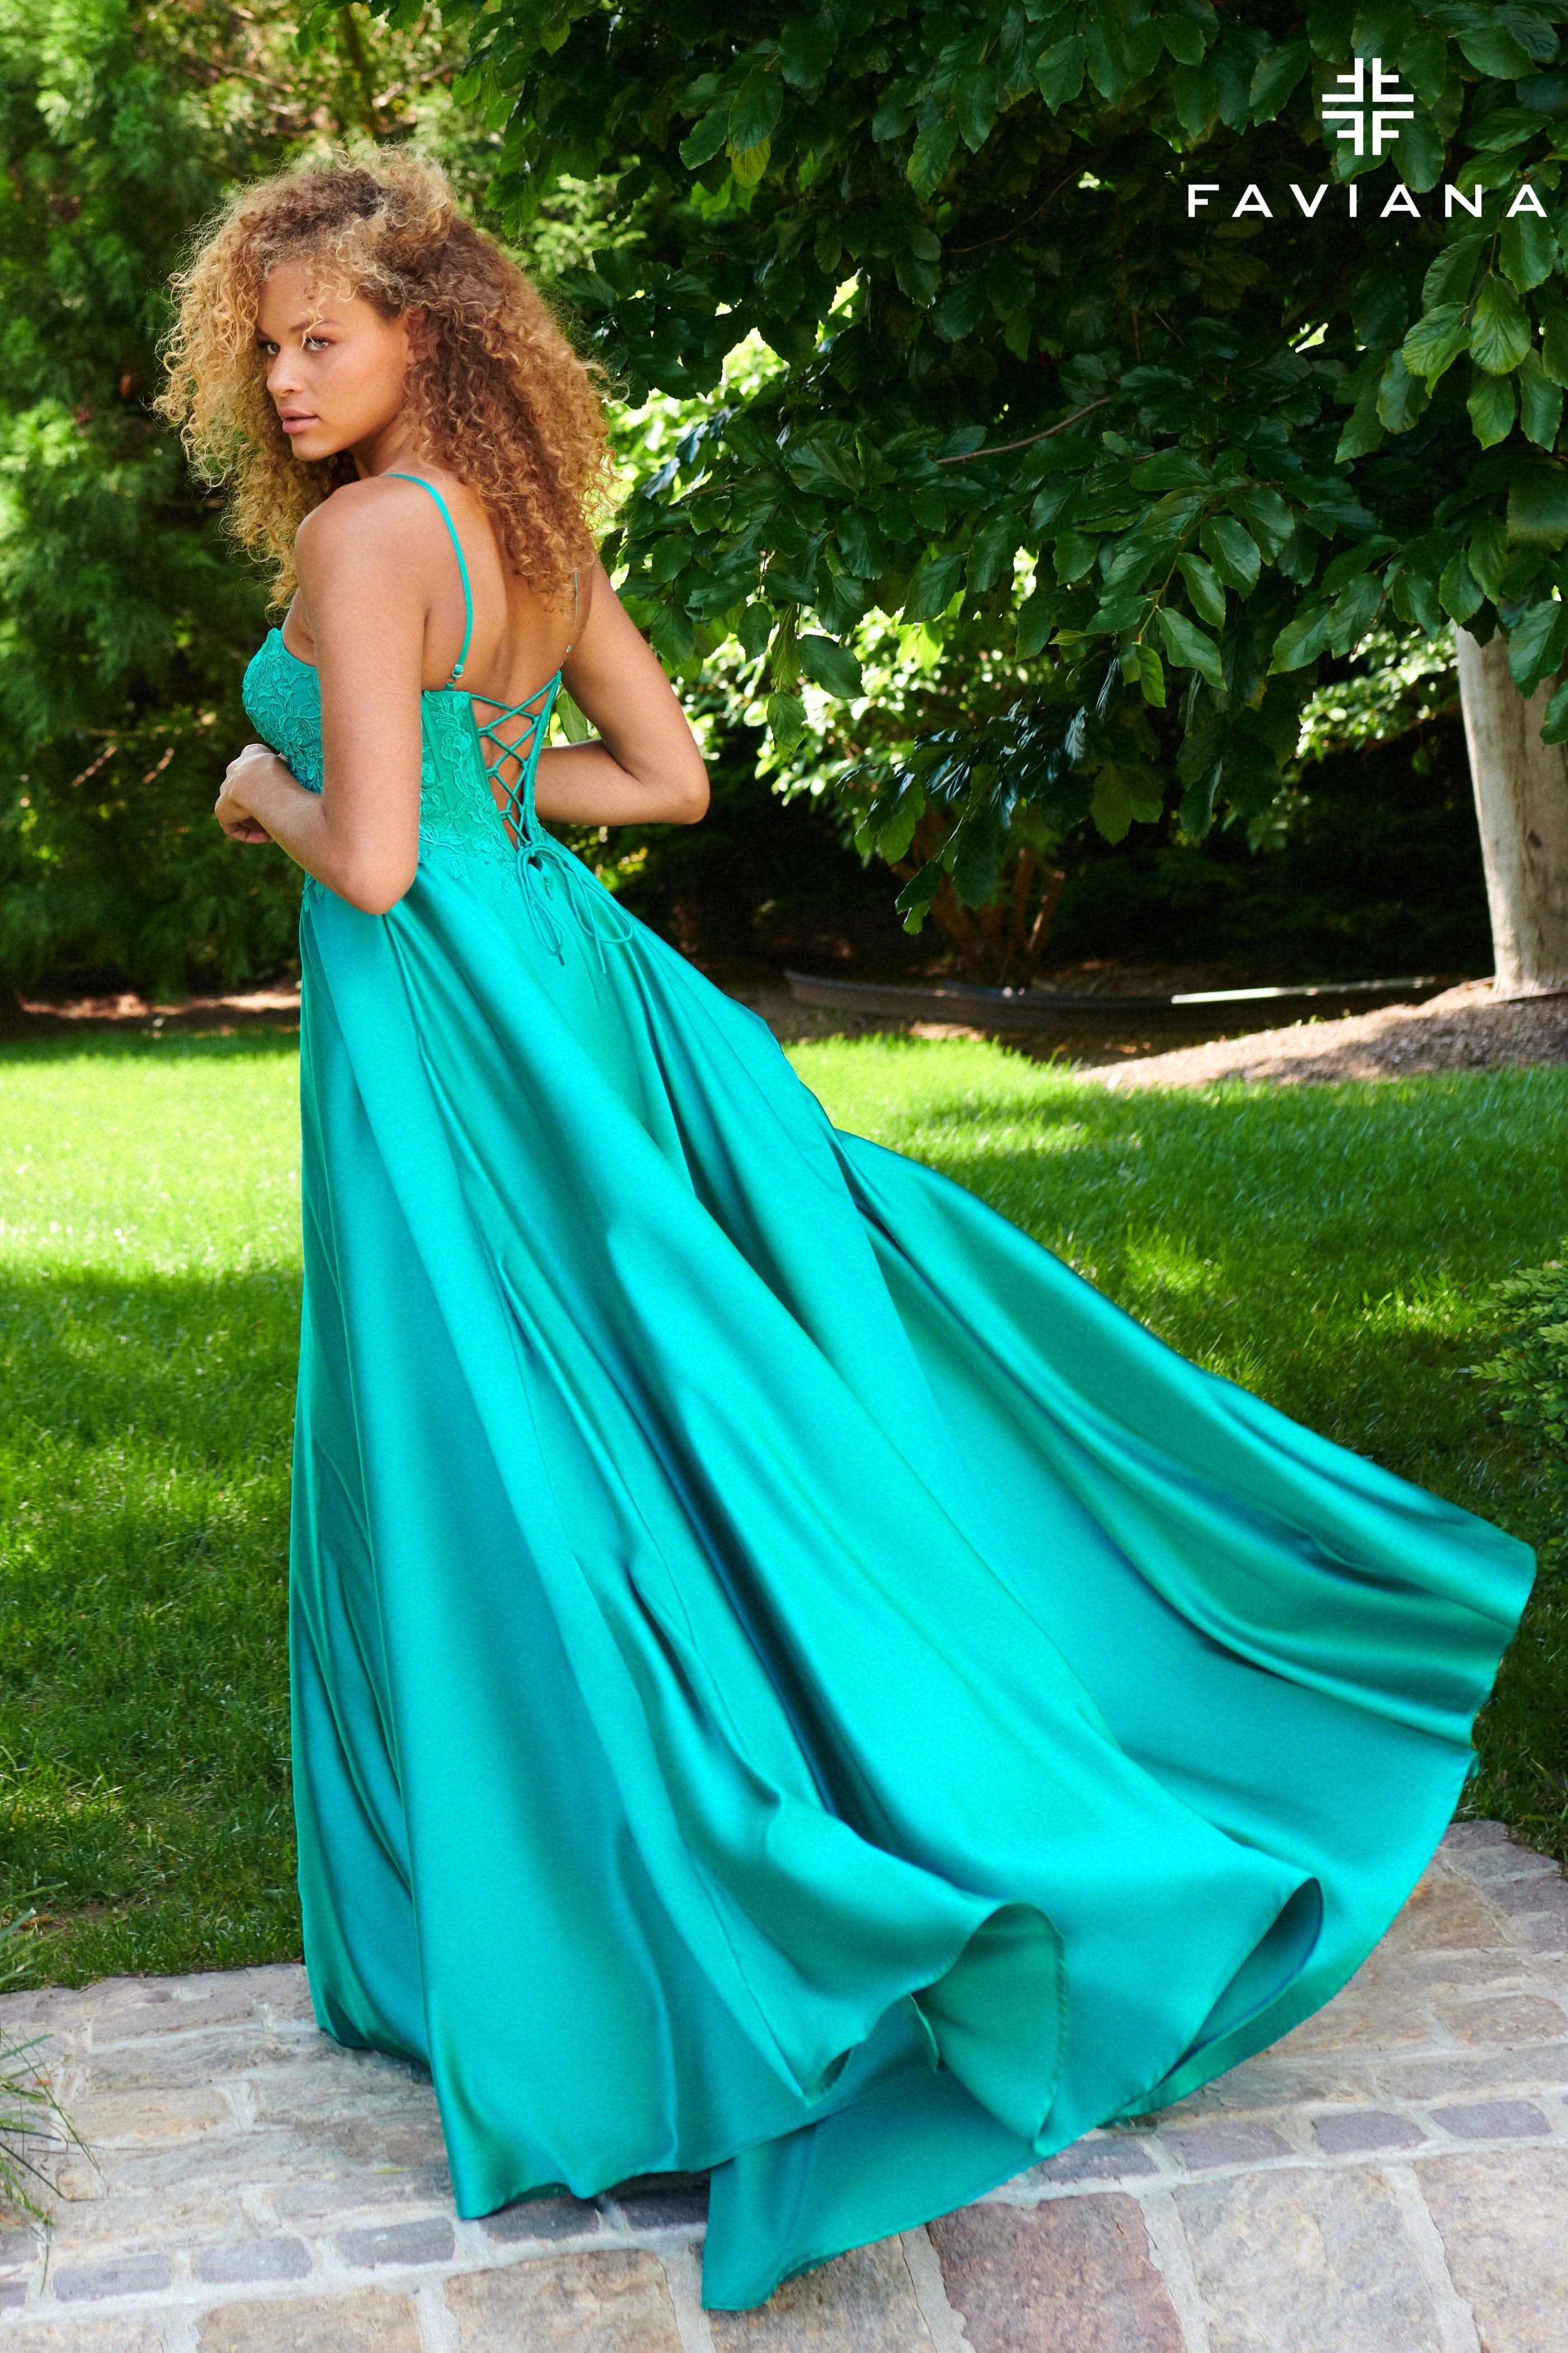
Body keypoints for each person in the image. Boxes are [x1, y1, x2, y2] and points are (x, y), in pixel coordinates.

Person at [158, 149, 1534, 2315]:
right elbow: (665, 779)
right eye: (267, 345)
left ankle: (632, 1943)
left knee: (499, 1442)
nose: (284, 376)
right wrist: (493, 805)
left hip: (444, 1044)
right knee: (645, 1412)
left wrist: (270, 796)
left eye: (320, 335)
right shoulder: (531, 527)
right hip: (561, 997)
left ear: (425, 329)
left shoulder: (358, 539)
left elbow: (377, 864)